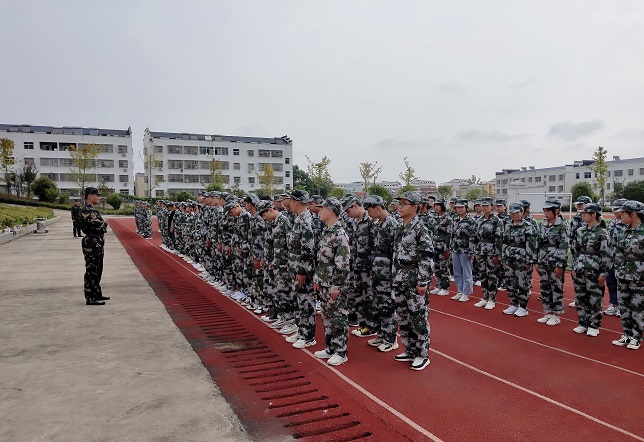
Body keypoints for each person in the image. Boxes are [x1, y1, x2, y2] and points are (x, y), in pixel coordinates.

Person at [391, 191, 434, 371]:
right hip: (399, 277)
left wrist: (423, 281)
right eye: (399, 203)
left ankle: (422, 354)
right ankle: (409, 349)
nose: (400, 207)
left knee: (418, 317)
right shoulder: (400, 228)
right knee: (403, 316)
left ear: (415, 207)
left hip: (414, 278)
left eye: (404, 204)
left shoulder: (421, 229)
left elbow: (426, 257)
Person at [313, 197, 352, 366]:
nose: (319, 211)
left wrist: (337, 285)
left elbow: (342, 264)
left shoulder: (339, 234)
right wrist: (317, 278)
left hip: (334, 283)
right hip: (323, 280)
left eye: (322, 209)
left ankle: (341, 351)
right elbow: (321, 259)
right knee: (326, 315)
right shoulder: (327, 231)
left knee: (338, 316)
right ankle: (330, 347)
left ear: (330, 211)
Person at [364, 195, 399, 352]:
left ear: (377, 208)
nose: (368, 213)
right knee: (378, 304)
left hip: (387, 273)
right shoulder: (379, 224)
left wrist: (393, 274)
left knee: (387, 304)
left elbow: (395, 251)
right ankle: (382, 333)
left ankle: (391, 338)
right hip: (378, 271)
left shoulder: (392, 224)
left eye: (369, 210)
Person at [570, 203, 611, 336]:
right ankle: (583, 322)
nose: (582, 215)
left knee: (594, 298)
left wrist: (604, 272)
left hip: (594, 270)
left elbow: (606, 254)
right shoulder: (580, 231)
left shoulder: (602, 232)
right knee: (580, 297)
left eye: (585, 213)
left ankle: (594, 325)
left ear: (594, 214)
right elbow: (575, 251)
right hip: (580, 269)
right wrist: (573, 266)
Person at [611, 200, 644, 350]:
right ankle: (627, 334)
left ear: (634, 214)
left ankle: (636, 337)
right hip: (623, 274)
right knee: (624, 306)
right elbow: (618, 252)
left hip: (639, 276)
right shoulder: (623, 231)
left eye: (624, 213)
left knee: (637, 307)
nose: (621, 215)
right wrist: (618, 270)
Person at [535, 199, 568, 325]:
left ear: (556, 211)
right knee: (545, 287)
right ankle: (547, 312)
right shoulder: (543, 224)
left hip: (555, 261)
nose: (545, 213)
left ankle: (556, 314)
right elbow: (538, 243)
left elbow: (564, 246)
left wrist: (560, 264)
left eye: (548, 210)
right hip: (543, 260)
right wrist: (536, 261)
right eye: (544, 210)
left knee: (556, 287)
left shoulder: (562, 225)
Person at [502, 203, 537, 317]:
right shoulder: (508, 225)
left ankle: (523, 307)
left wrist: (529, 261)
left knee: (522, 283)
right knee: (510, 282)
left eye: (517, 212)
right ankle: (513, 304)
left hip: (522, 259)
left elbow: (531, 245)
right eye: (512, 213)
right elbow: (504, 242)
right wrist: (504, 257)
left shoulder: (528, 226)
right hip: (509, 258)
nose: (515, 215)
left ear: (522, 212)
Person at [80, 187, 109, 306]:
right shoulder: (87, 210)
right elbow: (98, 224)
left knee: (98, 268)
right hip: (91, 242)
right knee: (92, 270)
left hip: (97, 241)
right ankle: (90, 297)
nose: (99, 197)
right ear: (90, 196)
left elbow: (102, 225)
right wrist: (103, 224)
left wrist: (103, 225)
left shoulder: (93, 210)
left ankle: (96, 293)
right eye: (97, 195)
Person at [473, 199, 503, 310]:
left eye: (487, 205)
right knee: (482, 275)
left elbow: (499, 238)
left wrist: (497, 255)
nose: (484, 207)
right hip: (481, 251)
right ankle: (485, 297)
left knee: (491, 275)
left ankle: (492, 299)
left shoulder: (497, 220)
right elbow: (476, 237)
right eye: (483, 205)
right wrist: (476, 251)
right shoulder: (479, 220)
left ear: (492, 207)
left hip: (491, 251)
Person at [604, 198, 627, 317]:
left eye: (617, 209)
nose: (614, 211)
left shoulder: (627, 224)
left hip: (622, 259)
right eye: (614, 208)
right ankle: (614, 304)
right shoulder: (611, 222)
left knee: (622, 284)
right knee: (611, 282)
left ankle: (623, 307)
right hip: (610, 258)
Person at [568, 196, 592, 308]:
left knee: (590, 277)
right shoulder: (576, 218)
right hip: (576, 252)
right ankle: (579, 298)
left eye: (581, 204)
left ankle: (591, 300)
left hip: (589, 253)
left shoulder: (594, 218)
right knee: (576, 276)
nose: (578, 206)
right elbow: (571, 234)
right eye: (577, 204)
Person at [450, 199, 475, 302]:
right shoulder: (455, 220)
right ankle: (460, 291)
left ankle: (466, 292)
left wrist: (471, 251)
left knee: (466, 272)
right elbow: (452, 235)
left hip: (465, 250)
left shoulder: (470, 221)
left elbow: (473, 237)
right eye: (457, 208)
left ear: (466, 208)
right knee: (457, 272)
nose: (459, 209)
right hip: (455, 249)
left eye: (461, 207)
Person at [429, 198, 453, 296]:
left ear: (442, 206)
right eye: (435, 206)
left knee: (443, 268)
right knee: (436, 268)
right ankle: (438, 286)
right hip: (435, 246)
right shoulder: (435, 218)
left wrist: (447, 249)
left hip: (443, 248)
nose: (435, 207)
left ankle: (445, 287)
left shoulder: (448, 219)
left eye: (437, 205)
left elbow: (449, 235)